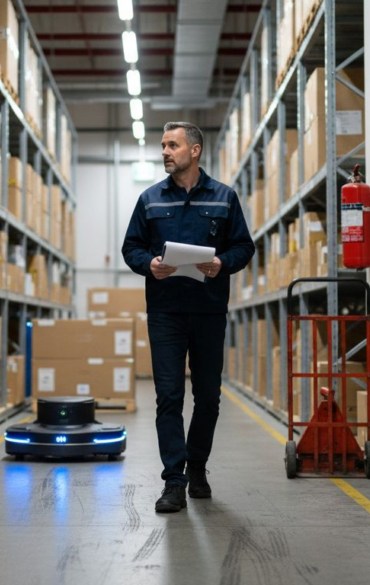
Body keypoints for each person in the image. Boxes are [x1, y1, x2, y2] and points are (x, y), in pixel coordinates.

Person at [121, 121, 255, 513]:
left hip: (209, 310)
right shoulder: (149, 200)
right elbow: (131, 247)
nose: (164, 151)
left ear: (194, 151)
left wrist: (221, 262)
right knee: (168, 397)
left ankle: (197, 467)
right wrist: (151, 264)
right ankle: (174, 481)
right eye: (163, 145)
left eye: (172, 145)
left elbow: (244, 247)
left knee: (209, 398)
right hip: (165, 312)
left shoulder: (224, 197)